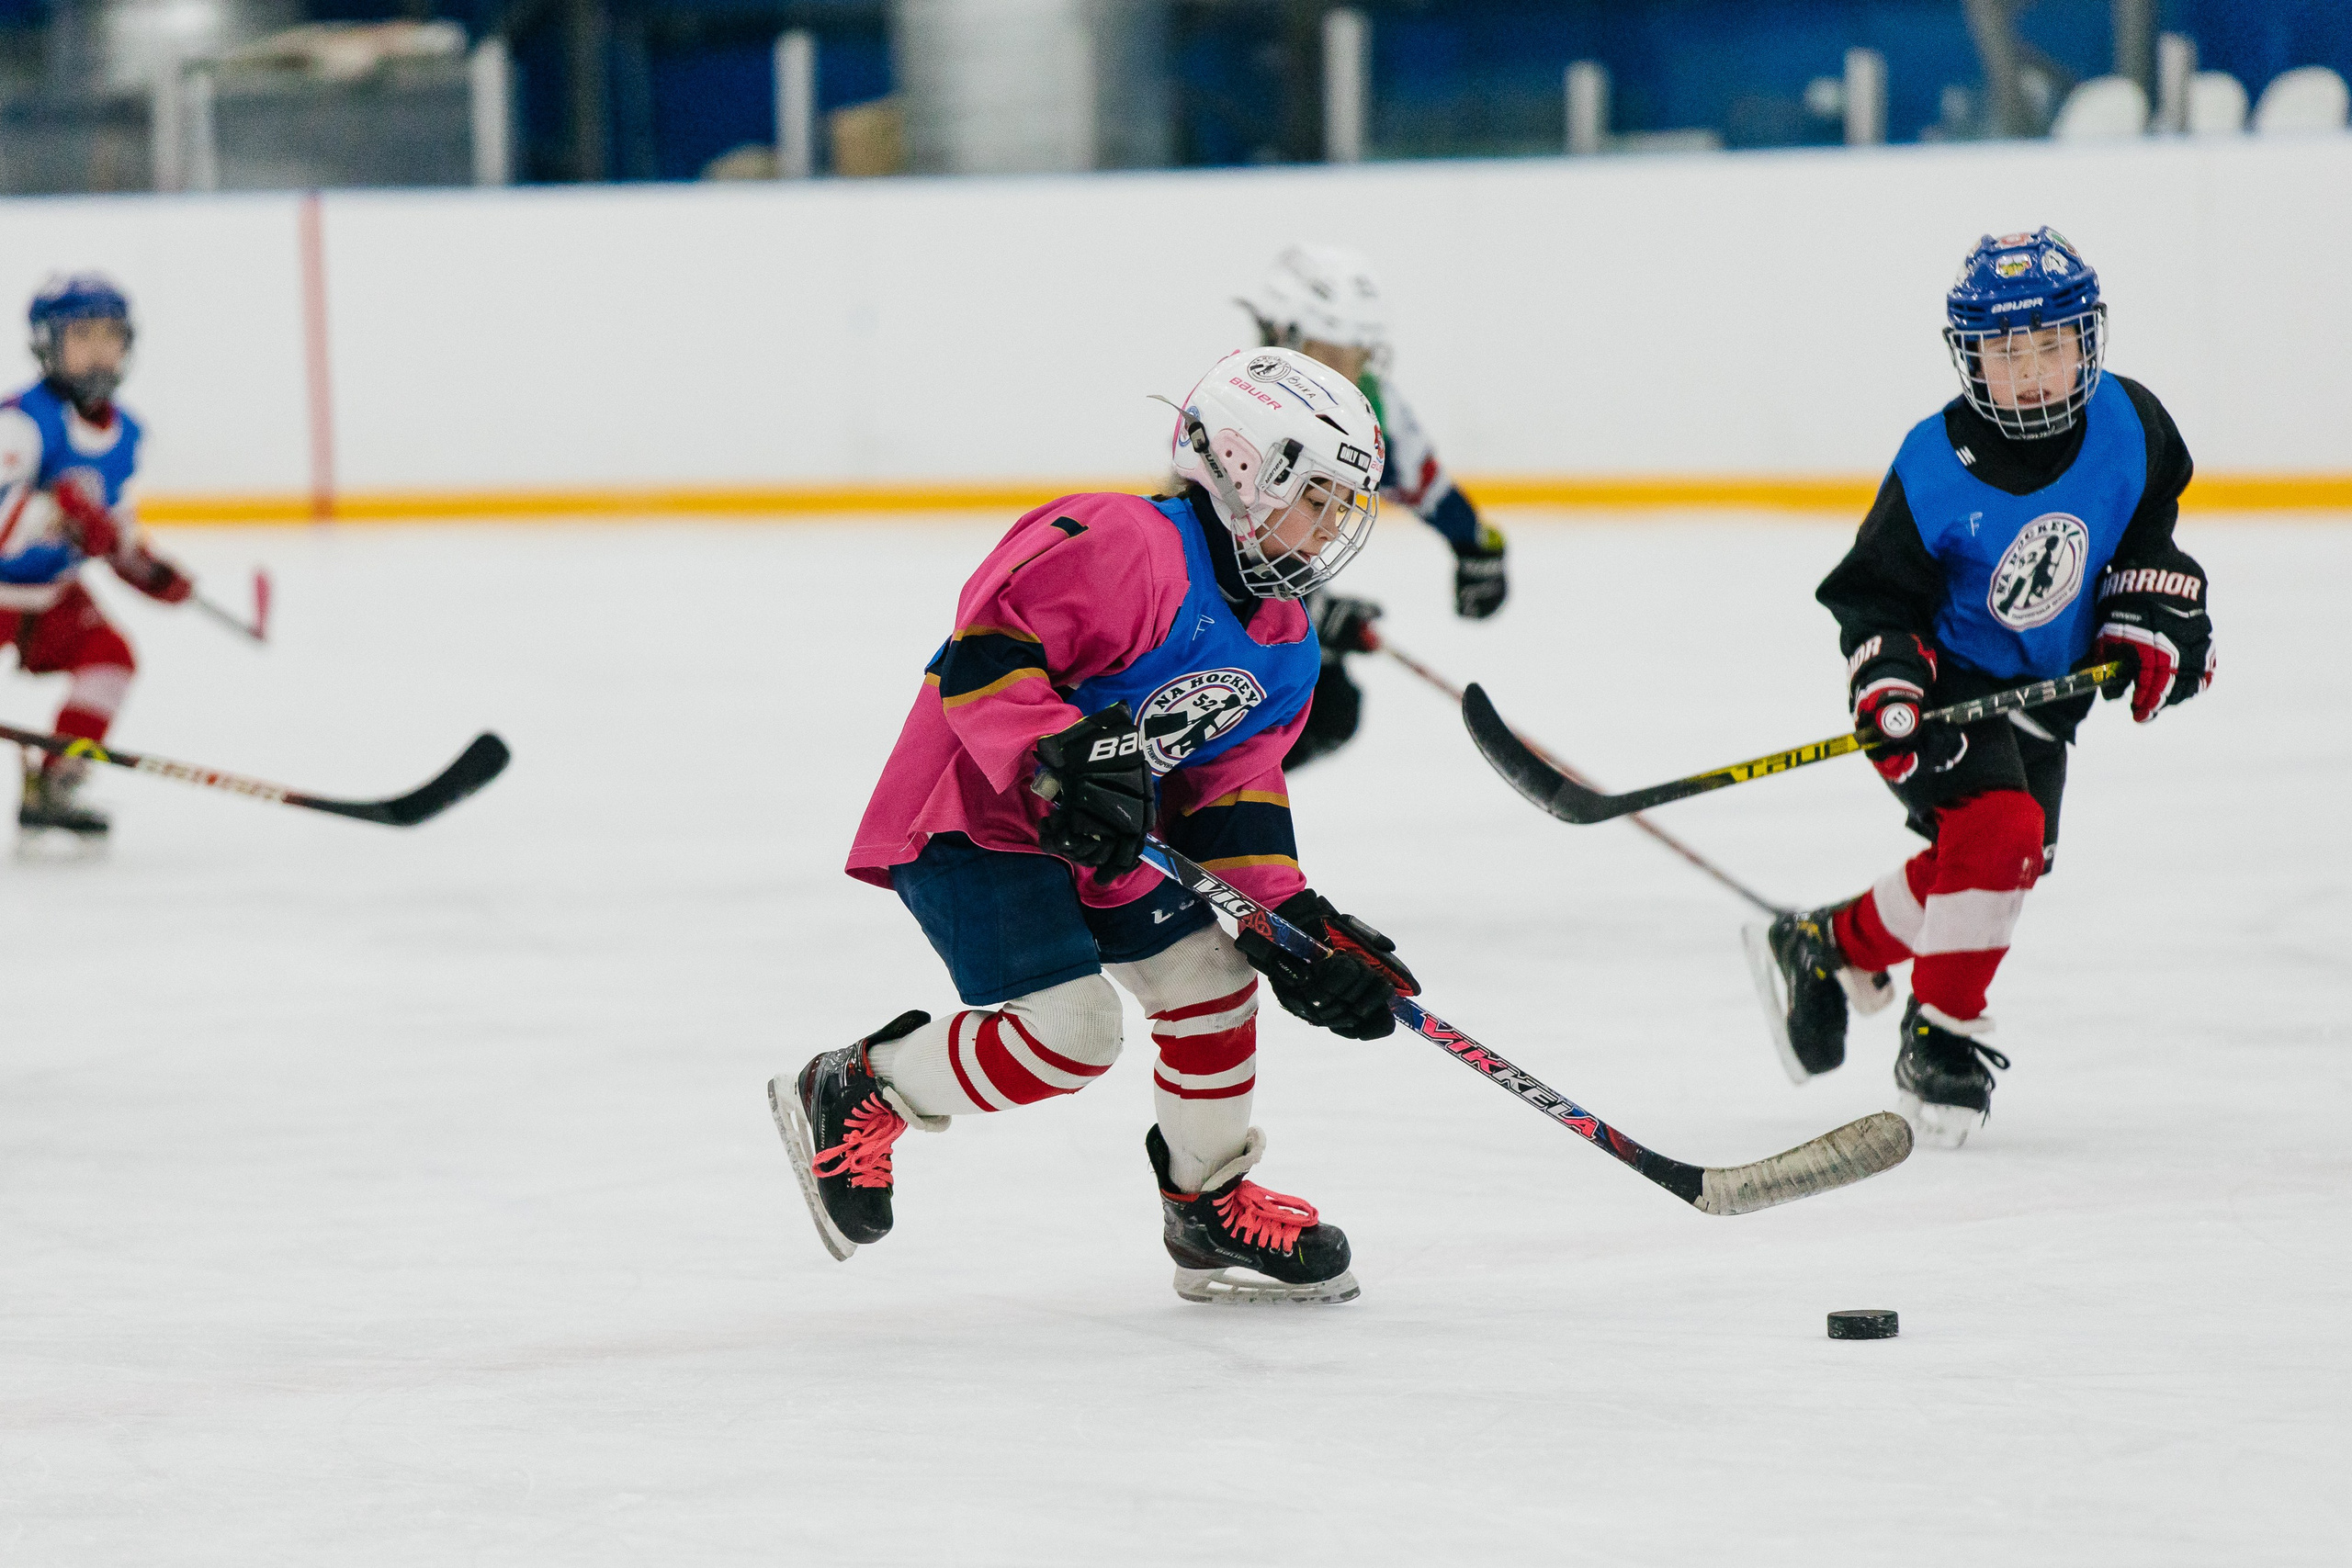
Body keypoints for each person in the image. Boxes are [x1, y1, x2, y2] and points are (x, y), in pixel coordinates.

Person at [772, 346, 1418, 1303]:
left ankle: (1206, 1203)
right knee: (1073, 1033)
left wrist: (1290, 923)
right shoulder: (1127, 542)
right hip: (976, 814)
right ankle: (863, 1084)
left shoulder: (1285, 644)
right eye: (1316, 497)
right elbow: (986, 650)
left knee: (1213, 976)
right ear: (1247, 468)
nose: (1330, 527)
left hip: (1104, 836)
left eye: (1341, 505)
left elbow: (1232, 792)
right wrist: (1057, 749)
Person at [1747, 229, 2213, 1147]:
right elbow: (1875, 596)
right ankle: (1941, 1035)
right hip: (1945, 690)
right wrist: (1889, 677)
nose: (2031, 373)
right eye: (2006, 353)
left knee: (2000, 861)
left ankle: (1826, 945)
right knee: (2001, 831)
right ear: (1969, 358)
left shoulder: (2134, 425)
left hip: (2047, 690)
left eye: (2050, 346)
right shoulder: (1931, 466)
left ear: (2088, 340)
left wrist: (2154, 611)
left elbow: (2144, 534)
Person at [1240, 244, 1509, 768]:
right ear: (1281, 338)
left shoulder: (1369, 402)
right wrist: (1309, 612)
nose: (1345, 373)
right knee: (1278, 703)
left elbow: (1425, 484)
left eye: (1357, 355)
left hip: (1275, 593)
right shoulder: (1243, 409)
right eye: (1329, 353)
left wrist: (1477, 546)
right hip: (1208, 620)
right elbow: (1212, 553)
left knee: (1329, 710)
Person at [0, 274, 196, 846]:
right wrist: (57, 514)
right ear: (47, 345)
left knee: (110, 660)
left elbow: (113, 530)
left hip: (51, 595)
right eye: (81, 336)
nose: (98, 350)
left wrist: (146, 569)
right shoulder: (21, 423)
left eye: (110, 336)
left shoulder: (128, 435)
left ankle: (54, 783)